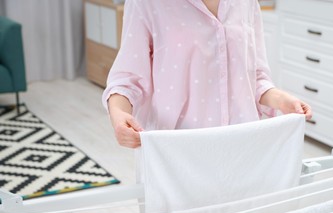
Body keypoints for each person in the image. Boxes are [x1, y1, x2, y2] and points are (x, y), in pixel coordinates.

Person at [103, 0, 312, 149]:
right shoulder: (146, 4)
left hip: (243, 146)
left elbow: (255, 77)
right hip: (177, 152)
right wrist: (119, 116)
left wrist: (282, 100)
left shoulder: (247, 3)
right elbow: (127, 80)